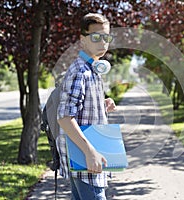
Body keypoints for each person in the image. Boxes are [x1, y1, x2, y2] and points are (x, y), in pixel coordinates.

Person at [56, 13, 116, 200]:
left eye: (106, 37)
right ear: (83, 40)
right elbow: (65, 117)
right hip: (85, 156)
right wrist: (90, 152)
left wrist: (101, 106)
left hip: (86, 155)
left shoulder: (92, 70)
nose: (102, 42)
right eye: (96, 37)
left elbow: (79, 111)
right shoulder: (80, 71)